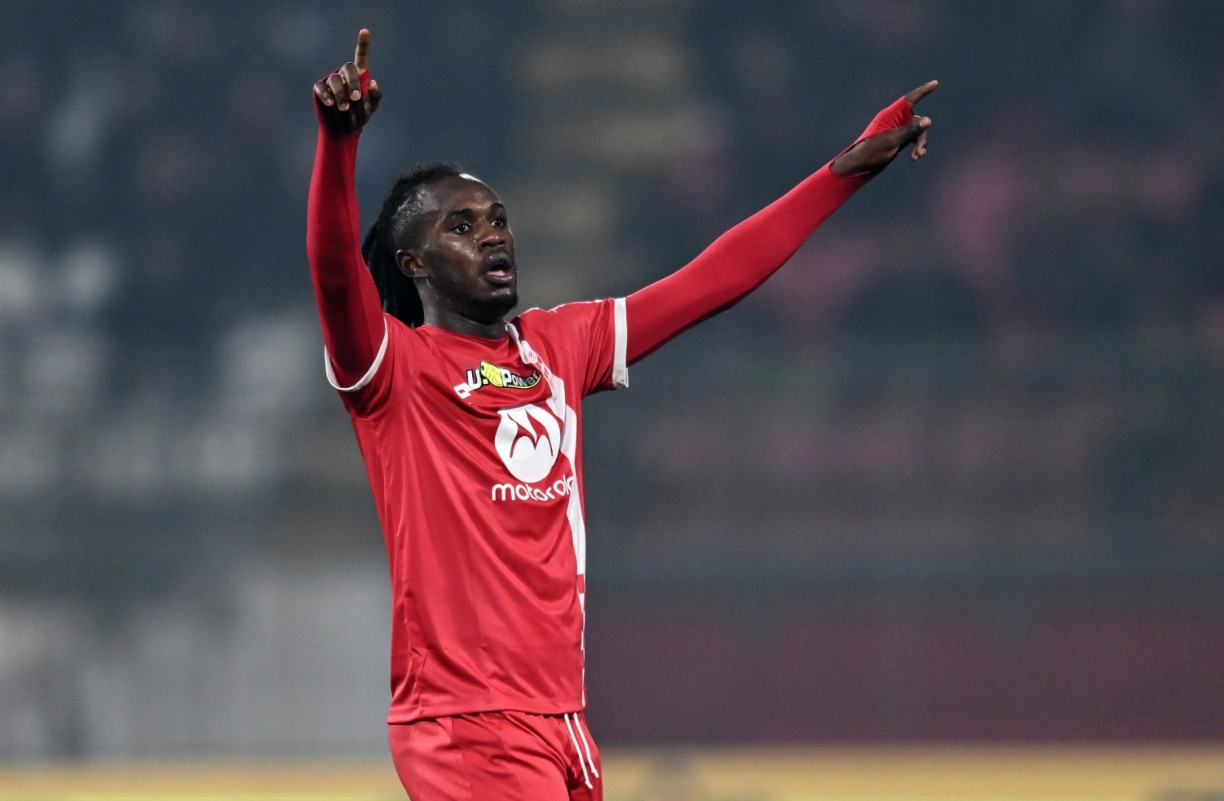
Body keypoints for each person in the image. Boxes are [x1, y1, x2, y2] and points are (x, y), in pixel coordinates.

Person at [307, 28, 935, 801]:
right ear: (414, 264)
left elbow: (714, 278)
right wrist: (339, 145)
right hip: (467, 722)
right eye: (461, 227)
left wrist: (847, 170)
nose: (492, 234)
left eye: (497, 218)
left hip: (564, 721)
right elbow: (334, 274)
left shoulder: (559, 344)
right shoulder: (392, 369)